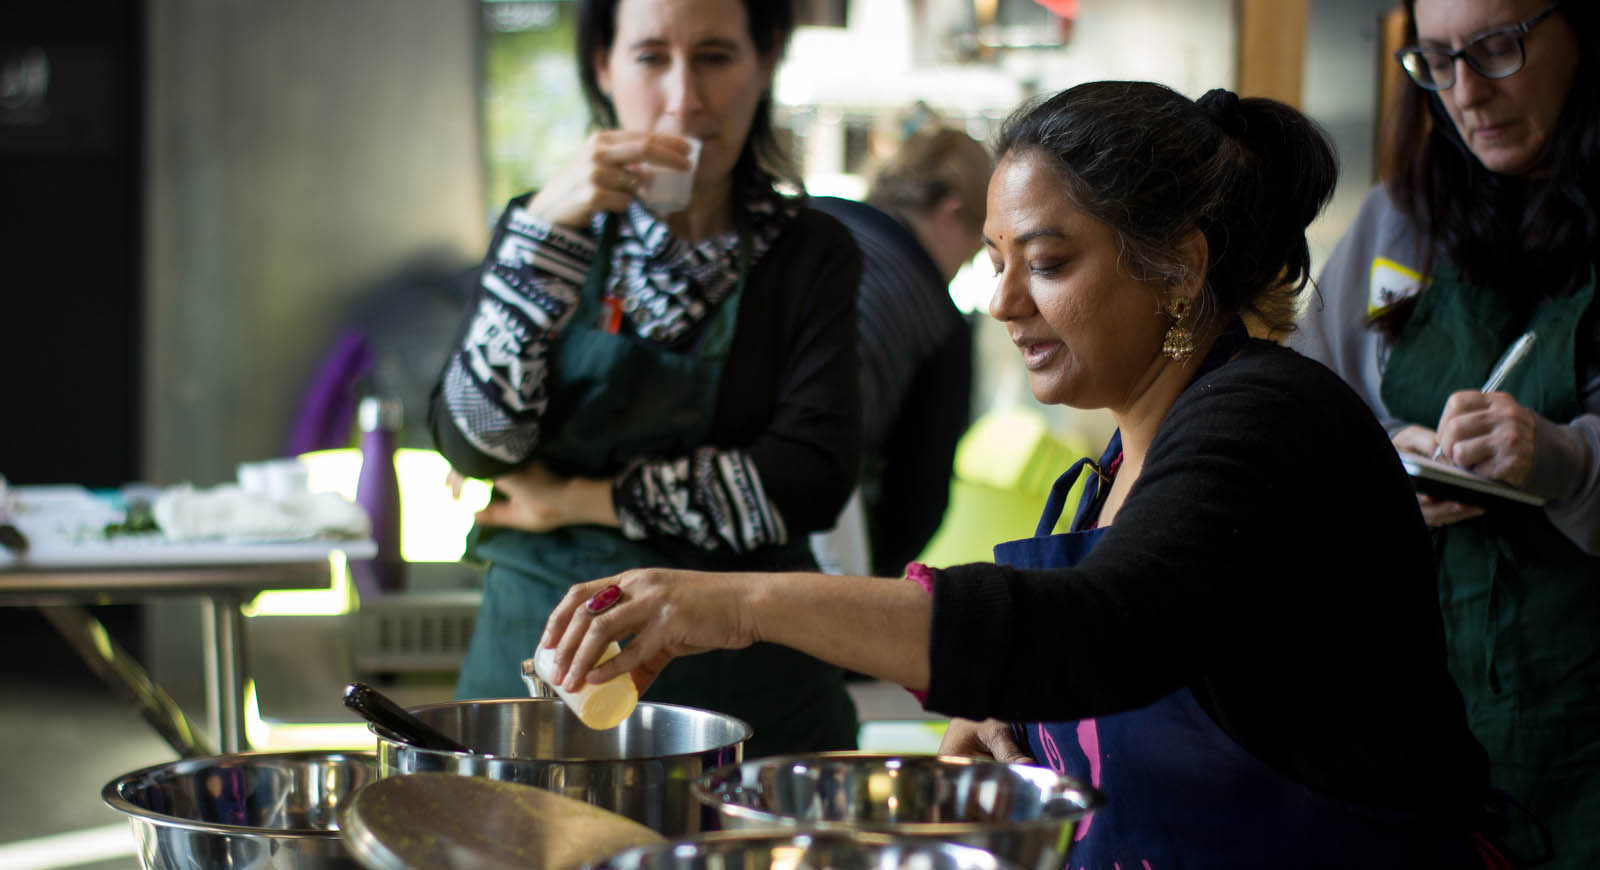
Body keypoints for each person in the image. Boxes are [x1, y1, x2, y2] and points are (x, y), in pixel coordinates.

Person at [538, 82, 1511, 869]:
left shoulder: (1266, 419)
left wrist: (743, 602)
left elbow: (1108, 623)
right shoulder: (1107, 471)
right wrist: (1015, 719)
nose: (1000, 301)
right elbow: (1092, 651)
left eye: (1044, 262)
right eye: (995, 260)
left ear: (1177, 266)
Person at [429, 0, 864, 758]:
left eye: (717, 57)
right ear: (603, 64)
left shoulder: (808, 250)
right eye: (651, 56)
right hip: (542, 670)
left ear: (764, 65)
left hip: (750, 680)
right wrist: (541, 239)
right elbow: (477, 444)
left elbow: (809, 480)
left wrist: (582, 499)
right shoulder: (540, 228)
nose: (684, 97)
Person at [1293, 1, 1598, 864]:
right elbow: (1306, 416)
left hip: (1580, 726)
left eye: (1497, 50)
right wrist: (1380, 464)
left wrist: (1567, 461)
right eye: (1436, 60)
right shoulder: (1401, 224)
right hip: (1415, 717)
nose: (1466, 93)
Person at [808, 126, 990, 578]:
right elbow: (917, 499)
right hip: (804, 531)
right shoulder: (937, 320)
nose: (961, 268)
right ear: (953, 212)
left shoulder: (805, 217)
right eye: (975, 252)